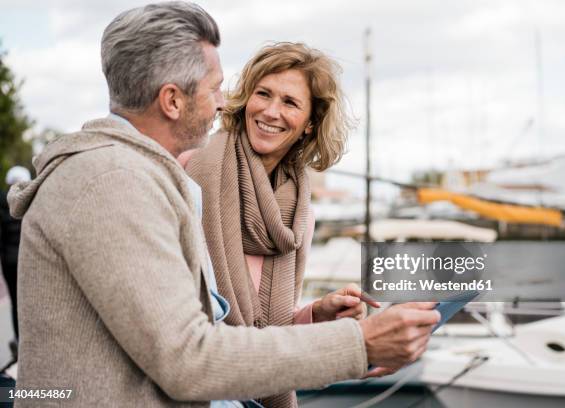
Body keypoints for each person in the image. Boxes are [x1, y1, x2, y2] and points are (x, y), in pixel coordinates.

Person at [8, 2, 440, 407]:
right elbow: (188, 357)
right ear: (173, 100)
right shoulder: (115, 181)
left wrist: (315, 319)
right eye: (215, 88)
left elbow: (197, 329)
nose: (222, 102)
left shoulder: (138, 175)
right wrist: (358, 344)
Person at [182, 43, 374, 406]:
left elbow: (275, 328)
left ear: (309, 125)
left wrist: (318, 314)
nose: (271, 111)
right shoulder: (191, 171)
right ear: (246, 99)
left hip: (254, 390)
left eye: (290, 102)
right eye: (263, 94)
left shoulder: (299, 214)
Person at [0, 166, 31, 360]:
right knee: (31, 301)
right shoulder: (32, 200)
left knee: (15, 302)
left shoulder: (2, 203)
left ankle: (19, 340)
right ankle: (31, 344)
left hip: (8, 260)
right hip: (28, 259)